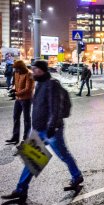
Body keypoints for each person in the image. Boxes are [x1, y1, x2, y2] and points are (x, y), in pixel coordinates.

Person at [1, 61, 83, 203]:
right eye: (32, 69)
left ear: (43, 70)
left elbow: (55, 108)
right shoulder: (39, 83)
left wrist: (52, 127)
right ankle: (21, 190)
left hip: (51, 129)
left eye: (36, 69)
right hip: (39, 128)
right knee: (31, 159)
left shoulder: (52, 84)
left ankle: (77, 176)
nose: (33, 72)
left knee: (63, 155)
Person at [5, 60, 34, 145]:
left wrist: (16, 93)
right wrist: (14, 89)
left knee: (26, 119)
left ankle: (26, 138)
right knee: (16, 117)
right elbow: (16, 84)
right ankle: (15, 137)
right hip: (18, 99)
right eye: (15, 69)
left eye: (17, 69)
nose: (16, 71)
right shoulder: (17, 73)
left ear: (21, 67)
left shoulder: (29, 74)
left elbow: (28, 89)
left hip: (26, 99)